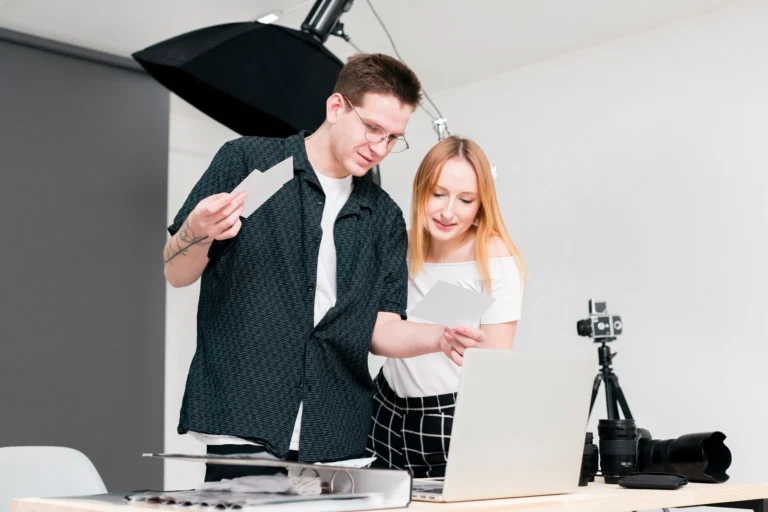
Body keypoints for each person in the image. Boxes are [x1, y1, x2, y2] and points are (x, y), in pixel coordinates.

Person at [163, 53, 470, 481]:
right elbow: (176, 273)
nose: (379, 148)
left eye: (392, 138)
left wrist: (440, 336)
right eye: (372, 128)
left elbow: (380, 328)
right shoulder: (249, 162)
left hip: (339, 434)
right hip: (245, 417)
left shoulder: (383, 217)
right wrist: (197, 230)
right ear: (336, 107)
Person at [366, 135, 526, 478]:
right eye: (437, 194)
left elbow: (498, 364)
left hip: (452, 418)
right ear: (420, 190)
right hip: (384, 411)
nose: (447, 211)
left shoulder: (495, 256)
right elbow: (379, 329)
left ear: (481, 203)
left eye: (465, 200)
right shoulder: (397, 243)